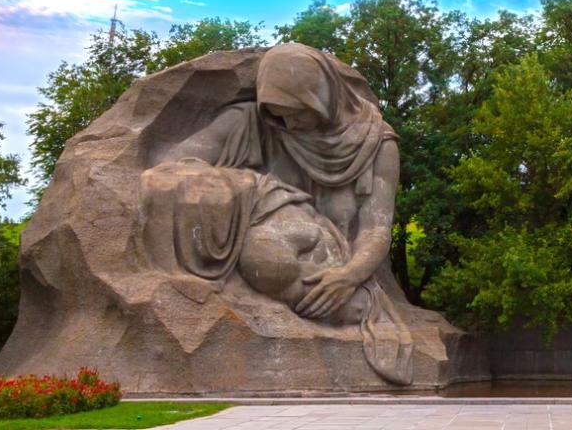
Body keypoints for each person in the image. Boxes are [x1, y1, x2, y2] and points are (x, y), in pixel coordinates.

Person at [138, 43, 412, 383]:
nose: (287, 122)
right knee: (265, 256)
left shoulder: (378, 145)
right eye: (277, 112)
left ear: (321, 95)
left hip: (334, 260)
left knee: (274, 260)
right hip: (265, 228)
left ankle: (344, 302)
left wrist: (350, 276)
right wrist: (245, 190)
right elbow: (172, 169)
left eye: (297, 111)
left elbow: (375, 229)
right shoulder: (252, 122)